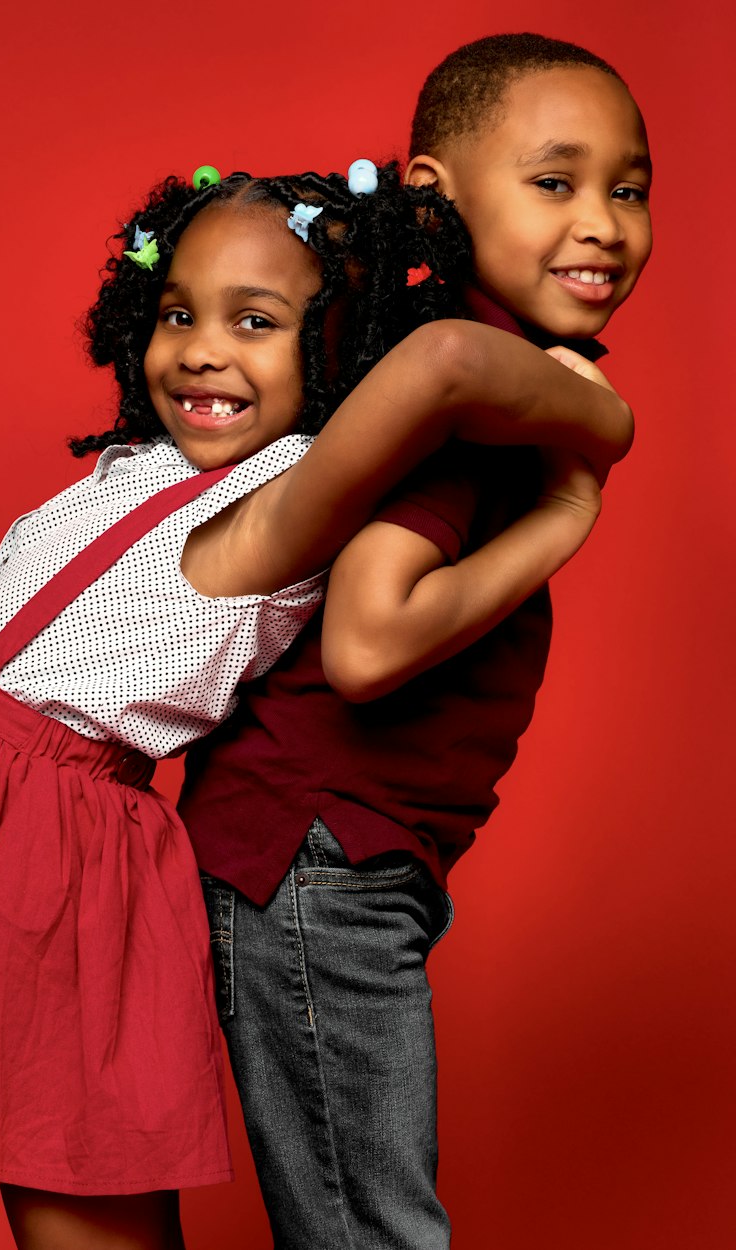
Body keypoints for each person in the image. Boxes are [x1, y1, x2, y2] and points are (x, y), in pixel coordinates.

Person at [0, 162, 630, 1250]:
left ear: (339, 355)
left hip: (52, 839)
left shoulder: (280, 504)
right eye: (180, 311)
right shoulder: (160, 459)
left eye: (258, 319)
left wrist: (597, 431)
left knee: (73, 1173)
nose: (204, 347)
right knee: (43, 1174)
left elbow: (448, 356)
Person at [180, 33, 653, 1250]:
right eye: (554, 182)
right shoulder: (469, 390)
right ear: (435, 195)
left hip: (345, 853)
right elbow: (368, 643)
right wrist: (564, 515)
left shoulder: (496, 370)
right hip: (317, 851)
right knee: (374, 1233)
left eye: (628, 187)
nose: (600, 222)